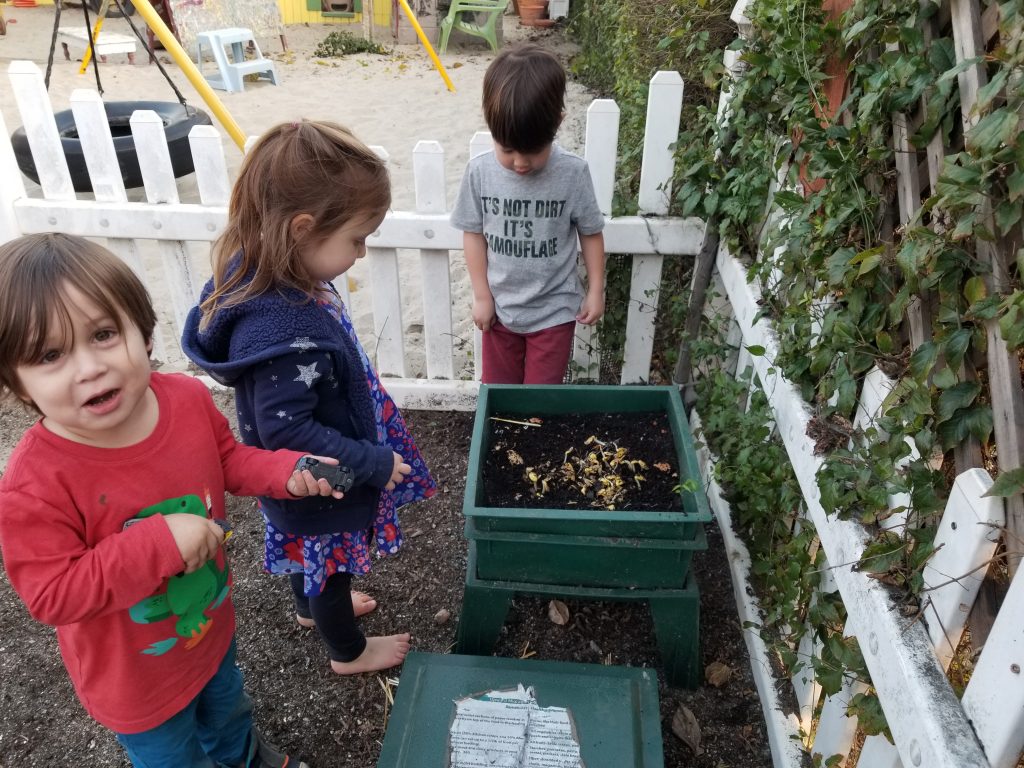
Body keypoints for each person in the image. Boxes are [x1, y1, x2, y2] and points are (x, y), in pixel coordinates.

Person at [0, 233, 351, 767]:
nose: (89, 367)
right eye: (50, 354)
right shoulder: (35, 483)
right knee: (174, 758)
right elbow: (52, 595)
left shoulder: (184, 400)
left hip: (208, 627)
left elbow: (228, 459)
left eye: (103, 334)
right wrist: (159, 542)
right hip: (134, 680)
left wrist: (287, 470)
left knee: (229, 713)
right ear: (17, 384)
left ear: (142, 332)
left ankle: (246, 759)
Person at [182, 119, 436, 677]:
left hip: (311, 481)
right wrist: (369, 462)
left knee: (311, 560)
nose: (363, 253)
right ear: (301, 229)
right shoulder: (276, 333)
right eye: (356, 238)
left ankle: (307, 609)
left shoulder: (274, 277)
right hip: (322, 485)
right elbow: (287, 434)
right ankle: (348, 650)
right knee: (330, 566)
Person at [451, 43, 607, 385]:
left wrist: (596, 288)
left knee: (541, 401)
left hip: (554, 313)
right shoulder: (479, 173)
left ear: (558, 123)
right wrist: (481, 296)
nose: (520, 163)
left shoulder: (572, 173)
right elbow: (473, 234)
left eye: (534, 151)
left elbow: (591, 231)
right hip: (500, 312)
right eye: (507, 149)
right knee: (500, 396)